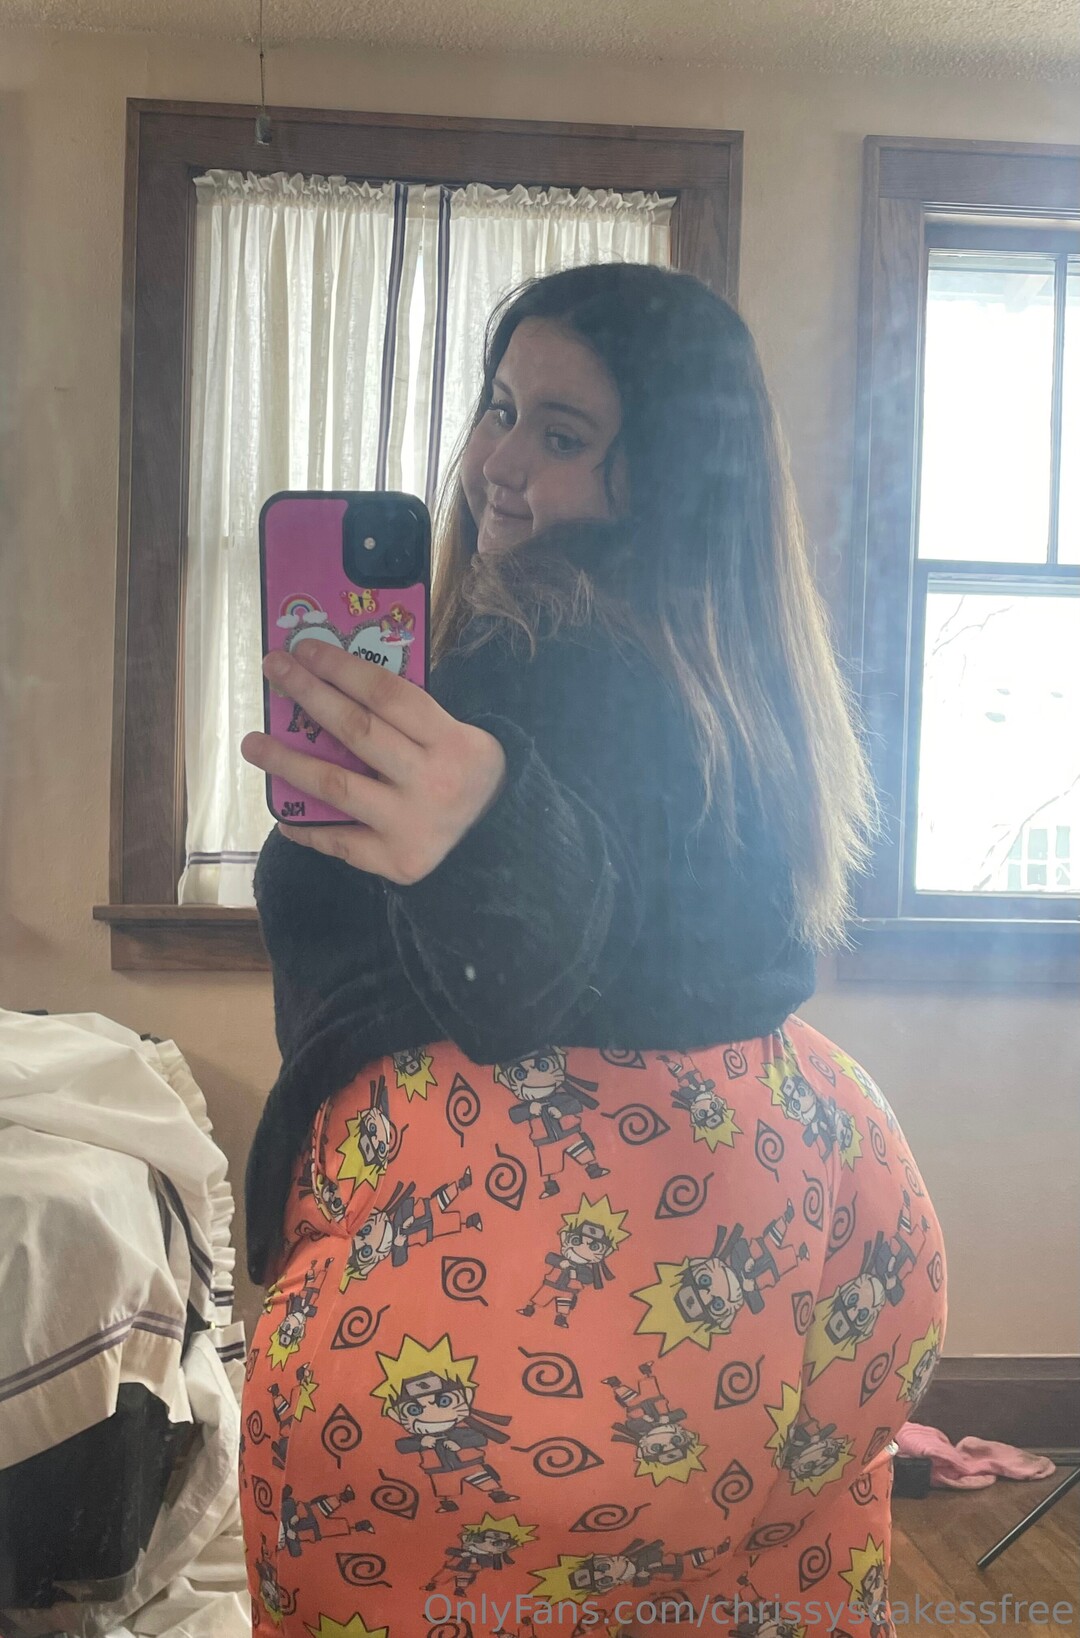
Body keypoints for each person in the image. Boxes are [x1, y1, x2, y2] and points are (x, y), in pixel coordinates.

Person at [239, 263, 947, 1638]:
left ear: (664, 477)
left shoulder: (537, 645)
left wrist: (487, 826)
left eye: (562, 435)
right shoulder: (738, 675)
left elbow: (548, 921)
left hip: (547, 1311)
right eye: (500, 408)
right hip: (805, 1255)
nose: (500, 462)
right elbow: (646, 894)